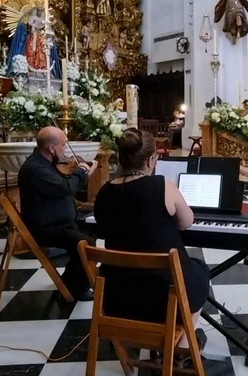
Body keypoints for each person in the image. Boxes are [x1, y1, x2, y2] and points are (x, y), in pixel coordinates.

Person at [93, 128, 210, 349]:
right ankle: (185, 344)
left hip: (117, 297)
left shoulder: (103, 193)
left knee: (181, 272)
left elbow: (105, 227)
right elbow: (187, 222)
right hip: (163, 298)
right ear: (151, 160)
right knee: (199, 271)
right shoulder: (162, 186)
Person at [18, 126, 99, 301]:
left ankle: (70, 282)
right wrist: (82, 171)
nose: (65, 150)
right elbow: (65, 188)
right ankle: (74, 289)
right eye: (63, 145)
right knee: (86, 244)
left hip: (59, 221)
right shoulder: (35, 168)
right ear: (51, 149)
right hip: (48, 227)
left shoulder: (44, 163)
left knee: (93, 229)